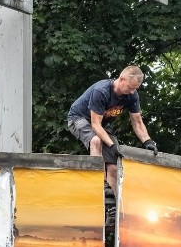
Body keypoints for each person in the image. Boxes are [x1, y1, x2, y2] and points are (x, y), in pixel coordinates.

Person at [66, 65, 158, 196]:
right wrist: (112, 145)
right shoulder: (102, 91)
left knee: (114, 167)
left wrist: (148, 142)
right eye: (131, 88)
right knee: (96, 141)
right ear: (122, 79)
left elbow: (137, 122)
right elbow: (95, 125)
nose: (132, 92)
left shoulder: (132, 96)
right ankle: (98, 183)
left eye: (135, 89)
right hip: (79, 118)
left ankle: (112, 203)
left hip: (102, 122)